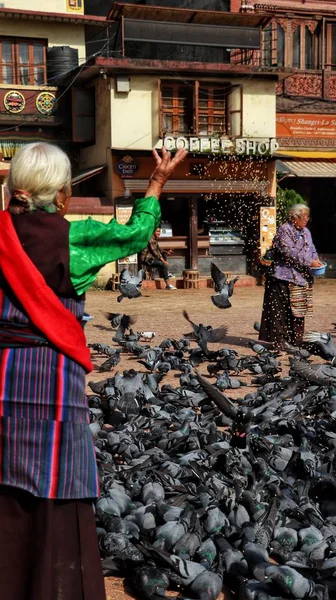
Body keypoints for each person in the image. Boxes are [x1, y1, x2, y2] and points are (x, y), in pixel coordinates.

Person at [0, 141, 187, 600]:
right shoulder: (75, 237)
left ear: (14, 188)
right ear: (63, 193)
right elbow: (136, 235)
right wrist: (157, 182)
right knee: (57, 482)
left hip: (3, 378)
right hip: (54, 378)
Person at [259, 203, 323, 349]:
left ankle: (297, 340)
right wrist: (309, 262)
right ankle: (281, 341)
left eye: (307, 216)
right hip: (283, 276)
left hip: (301, 277)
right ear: (294, 218)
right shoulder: (284, 230)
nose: (306, 219)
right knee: (281, 311)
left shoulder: (306, 231)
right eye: (303, 216)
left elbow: (312, 249)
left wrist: (316, 260)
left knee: (299, 310)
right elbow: (289, 253)